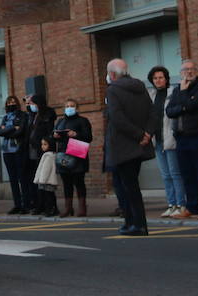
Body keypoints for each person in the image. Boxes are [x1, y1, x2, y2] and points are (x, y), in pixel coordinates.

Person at [103, 59, 154, 236]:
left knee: (127, 187)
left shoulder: (113, 90)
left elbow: (117, 119)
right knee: (131, 185)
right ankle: (131, 223)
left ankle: (137, 224)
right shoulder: (140, 87)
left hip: (123, 146)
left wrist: (139, 135)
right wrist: (147, 134)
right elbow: (152, 112)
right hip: (139, 145)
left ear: (112, 74)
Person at [165, 60, 198, 219]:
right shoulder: (177, 89)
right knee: (187, 174)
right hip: (181, 137)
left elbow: (193, 105)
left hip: (197, 136)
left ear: (197, 71)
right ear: (180, 73)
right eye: (186, 69)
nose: (189, 72)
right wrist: (183, 103)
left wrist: (184, 95)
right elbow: (170, 111)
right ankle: (192, 207)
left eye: (192, 69)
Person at [146, 67, 182, 218]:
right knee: (165, 175)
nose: (158, 80)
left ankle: (180, 205)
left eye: (161, 77)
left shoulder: (173, 92)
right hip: (158, 140)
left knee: (175, 173)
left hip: (170, 139)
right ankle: (171, 204)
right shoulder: (151, 95)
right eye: (155, 78)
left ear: (166, 79)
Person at [52, 98, 92, 217]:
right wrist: (55, 135)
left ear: (77, 108)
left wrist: (76, 134)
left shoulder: (83, 121)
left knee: (79, 181)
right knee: (66, 182)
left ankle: (82, 208)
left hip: (77, 150)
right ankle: (68, 208)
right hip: (63, 152)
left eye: (72, 106)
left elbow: (88, 137)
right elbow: (53, 135)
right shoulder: (60, 121)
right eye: (67, 106)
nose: (69, 108)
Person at [0, 95, 31, 214]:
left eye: (13, 101)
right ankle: (17, 204)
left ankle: (26, 205)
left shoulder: (22, 115)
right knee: (13, 180)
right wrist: (12, 127)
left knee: (23, 178)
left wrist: (7, 130)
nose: (11, 103)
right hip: (7, 152)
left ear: (17, 103)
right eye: (8, 102)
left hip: (18, 150)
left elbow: (20, 131)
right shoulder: (6, 117)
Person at [25, 93, 55, 214]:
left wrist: (45, 145)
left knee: (46, 179)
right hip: (34, 149)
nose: (31, 105)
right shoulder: (34, 115)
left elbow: (48, 131)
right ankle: (40, 204)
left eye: (33, 103)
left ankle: (50, 206)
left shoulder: (47, 114)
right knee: (37, 179)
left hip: (43, 149)